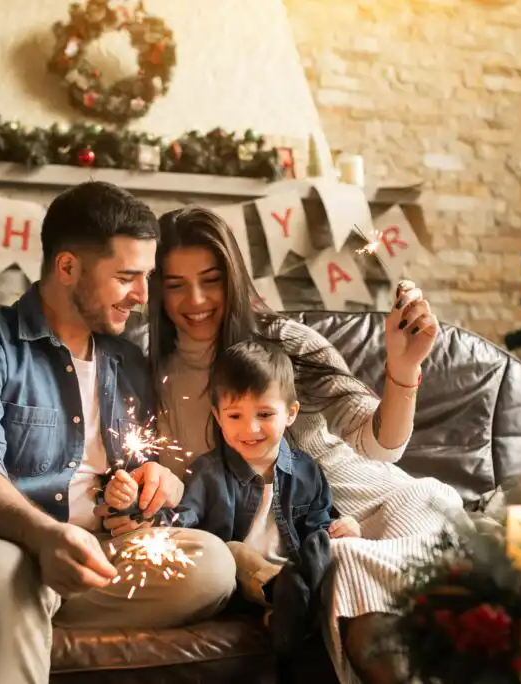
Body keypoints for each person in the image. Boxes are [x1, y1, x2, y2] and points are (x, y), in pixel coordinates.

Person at [0, 183, 236, 684]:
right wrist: (45, 537)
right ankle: (15, 599)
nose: (143, 297)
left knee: (211, 564)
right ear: (68, 267)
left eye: (146, 278)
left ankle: (22, 611)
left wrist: (158, 486)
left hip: (90, 554)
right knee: (3, 572)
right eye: (126, 277)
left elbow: (140, 469)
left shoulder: (129, 363)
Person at [137, 206, 466, 684]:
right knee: (339, 577)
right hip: (313, 546)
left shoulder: (286, 343)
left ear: (234, 277)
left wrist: (403, 365)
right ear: (155, 289)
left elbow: (380, 446)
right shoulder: (156, 378)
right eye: (175, 284)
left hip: (384, 506)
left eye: (211, 279)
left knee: (357, 574)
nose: (196, 299)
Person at [105, 340, 361, 650]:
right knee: (232, 550)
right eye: (235, 416)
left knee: (332, 551)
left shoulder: (307, 471)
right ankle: (279, 593)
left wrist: (341, 531)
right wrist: (137, 509)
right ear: (218, 415)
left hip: (297, 576)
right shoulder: (209, 472)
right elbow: (181, 521)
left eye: (265, 414)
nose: (250, 428)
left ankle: (290, 613)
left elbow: (317, 527)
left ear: (291, 413)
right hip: (239, 586)